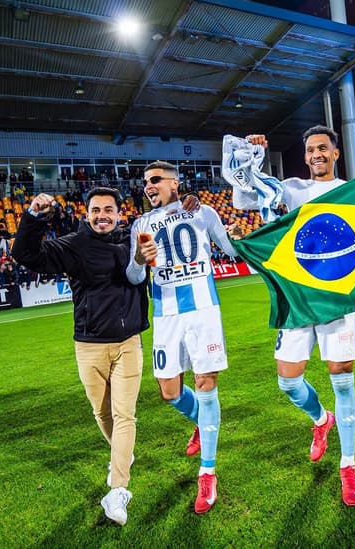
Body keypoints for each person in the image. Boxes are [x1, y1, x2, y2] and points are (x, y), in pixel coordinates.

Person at [232, 126, 355, 506]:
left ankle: (348, 466)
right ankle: (322, 420)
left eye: (323, 148)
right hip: (296, 295)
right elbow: (244, 196)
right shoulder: (290, 188)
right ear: (305, 156)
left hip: (336, 296)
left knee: (342, 376)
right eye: (310, 150)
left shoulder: (350, 192)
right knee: (289, 382)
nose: (316, 155)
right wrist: (252, 155)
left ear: (336, 153)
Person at [12, 187, 149, 527]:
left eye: (108, 209)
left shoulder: (134, 242)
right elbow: (25, 254)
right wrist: (33, 217)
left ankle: (118, 490)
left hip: (129, 343)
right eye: (95, 210)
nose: (102, 215)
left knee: (125, 415)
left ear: (119, 213)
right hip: (88, 345)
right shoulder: (74, 244)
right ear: (86, 213)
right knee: (102, 413)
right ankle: (122, 455)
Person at [126, 161, 235, 514]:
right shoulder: (140, 225)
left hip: (203, 310)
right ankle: (203, 424)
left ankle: (208, 472)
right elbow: (132, 276)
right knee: (169, 392)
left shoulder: (202, 211)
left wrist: (246, 237)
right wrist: (140, 261)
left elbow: (231, 250)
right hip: (165, 314)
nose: (149, 186)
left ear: (175, 183)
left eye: (155, 180)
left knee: (205, 383)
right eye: (145, 182)